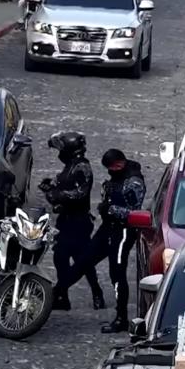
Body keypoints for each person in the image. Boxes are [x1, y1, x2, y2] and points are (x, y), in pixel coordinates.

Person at [39, 132, 106, 312]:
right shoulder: (70, 166)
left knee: (82, 261)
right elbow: (62, 181)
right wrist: (51, 184)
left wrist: (58, 195)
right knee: (60, 257)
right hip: (66, 220)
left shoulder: (82, 168)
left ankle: (96, 292)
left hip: (79, 222)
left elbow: (80, 193)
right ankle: (63, 297)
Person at [89, 149, 146, 333]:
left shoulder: (133, 181)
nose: (113, 170)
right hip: (110, 228)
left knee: (118, 272)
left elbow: (134, 211)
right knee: (87, 259)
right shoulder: (115, 180)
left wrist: (111, 209)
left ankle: (121, 317)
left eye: (115, 166)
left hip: (124, 231)